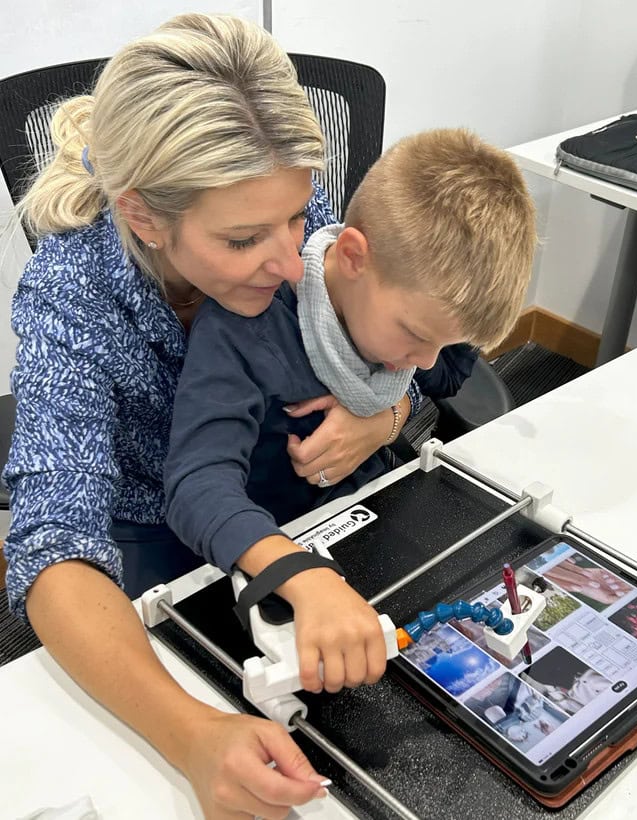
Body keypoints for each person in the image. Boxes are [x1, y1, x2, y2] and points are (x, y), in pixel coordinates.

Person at [1, 13, 429, 818]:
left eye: (299, 219)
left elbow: (408, 323)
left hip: (304, 491)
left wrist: (388, 411)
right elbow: (52, 551)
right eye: (241, 241)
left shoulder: (286, 205)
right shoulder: (72, 295)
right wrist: (193, 735)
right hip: (159, 538)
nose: (286, 259)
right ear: (145, 217)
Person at [164, 128, 537, 691]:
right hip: (267, 561)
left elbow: (450, 368)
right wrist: (299, 573)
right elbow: (196, 485)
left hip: (366, 517)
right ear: (355, 258)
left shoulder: (417, 309)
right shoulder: (243, 331)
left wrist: (391, 409)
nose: (425, 361)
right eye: (414, 336)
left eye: (442, 343)